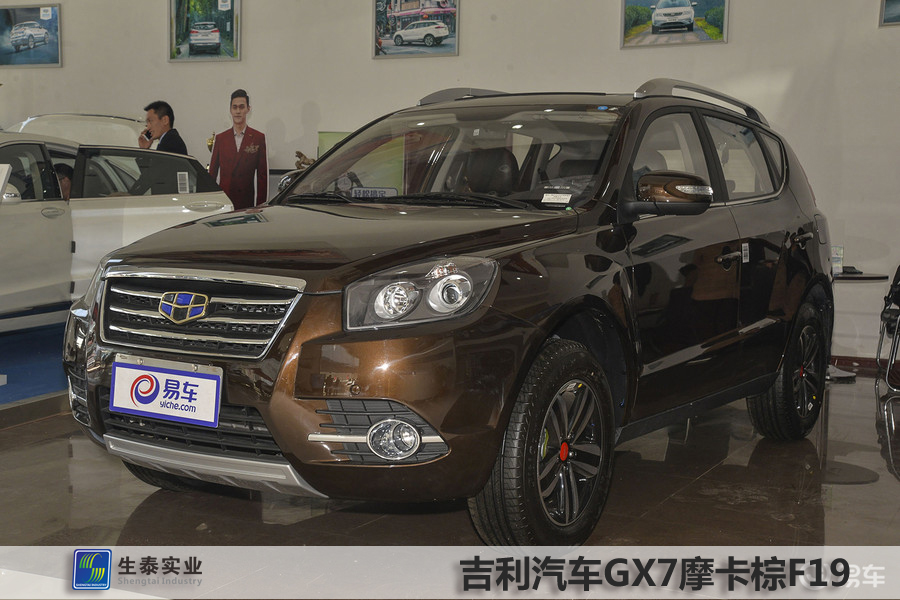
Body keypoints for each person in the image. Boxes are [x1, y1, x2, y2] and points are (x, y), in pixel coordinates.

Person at [208, 89, 268, 210]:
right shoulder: (221, 138)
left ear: (248, 109)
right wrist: (211, 203)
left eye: (241, 107)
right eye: (234, 107)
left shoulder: (258, 138)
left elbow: (262, 176)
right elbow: (212, 173)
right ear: (230, 110)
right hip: (224, 202)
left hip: (246, 202)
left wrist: (260, 206)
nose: (238, 111)